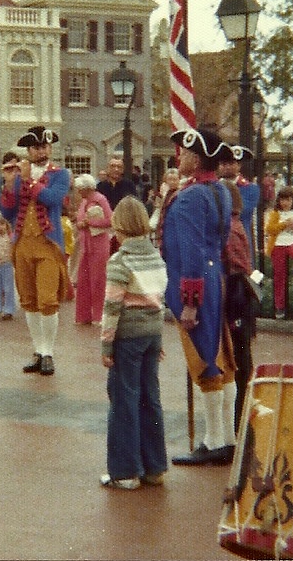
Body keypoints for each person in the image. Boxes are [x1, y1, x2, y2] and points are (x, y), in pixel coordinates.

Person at [160, 127, 236, 466]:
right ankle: (228, 437)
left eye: (185, 154)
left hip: (193, 283)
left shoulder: (191, 196)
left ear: (197, 157)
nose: (180, 158)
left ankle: (213, 440)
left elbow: (190, 250)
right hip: (213, 277)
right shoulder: (216, 190)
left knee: (204, 359)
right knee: (223, 358)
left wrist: (190, 301)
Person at [99, 196, 169, 490]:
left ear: (120, 226)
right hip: (152, 333)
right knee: (150, 398)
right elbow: (159, 300)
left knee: (124, 399)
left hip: (127, 336)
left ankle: (125, 471)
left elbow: (112, 307)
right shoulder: (156, 256)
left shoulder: (120, 261)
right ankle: (154, 466)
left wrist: (106, 345)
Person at [0, 126, 71, 376]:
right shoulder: (19, 175)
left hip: (48, 244)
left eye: (44, 146)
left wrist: (28, 180)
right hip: (23, 244)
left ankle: (49, 352)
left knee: (48, 299)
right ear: (28, 150)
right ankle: (38, 351)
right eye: (35, 147)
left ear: (50, 148)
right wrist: (8, 185)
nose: (40, 151)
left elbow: (52, 199)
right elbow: (8, 213)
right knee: (28, 300)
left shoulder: (61, 174)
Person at [219, 178, 256, 433]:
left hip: (236, 290)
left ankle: (238, 417)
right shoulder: (237, 223)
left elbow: (231, 263)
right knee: (241, 353)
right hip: (243, 289)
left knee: (238, 354)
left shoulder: (228, 228)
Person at [264, 186, 293, 318]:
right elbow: (270, 229)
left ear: (292, 201)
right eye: (282, 200)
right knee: (279, 275)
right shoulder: (275, 214)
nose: (285, 203)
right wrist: (284, 225)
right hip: (278, 244)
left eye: (288, 200)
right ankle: (280, 306)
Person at [74, 173, 113, 327]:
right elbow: (79, 220)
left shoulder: (100, 199)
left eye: (80, 189)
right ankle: (83, 315)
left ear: (87, 188)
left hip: (99, 244)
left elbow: (110, 220)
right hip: (86, 244)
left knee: (98, 279)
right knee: (83, 279)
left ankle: (99, 315)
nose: (79, 192)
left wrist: (90, 222)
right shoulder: (84, 202)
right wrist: (80, 224)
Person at [217, 143, 260, 256]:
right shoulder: (212, 187)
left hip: (240, 242)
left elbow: (241, 211)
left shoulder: (250, 188)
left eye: (231, 163)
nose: (227, 167)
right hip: (217, 242)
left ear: (239, 165)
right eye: (223, 163)